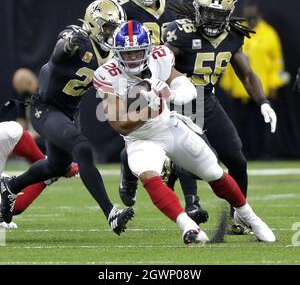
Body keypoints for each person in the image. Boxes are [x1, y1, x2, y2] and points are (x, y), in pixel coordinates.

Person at [93, 20, 276, 244]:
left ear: (148, 49)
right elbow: (119, 124)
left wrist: (172, 95)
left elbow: (184, 85)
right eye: (127, 53)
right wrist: (154, 107)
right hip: (139, 139)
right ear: (117, 52)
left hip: (168, 127)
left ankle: (251, 217)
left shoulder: (159, 57)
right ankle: (188, 227)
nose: (132, 58)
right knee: (148, 174)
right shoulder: (107, 74)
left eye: (137, 52)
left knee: (213, 171)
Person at [0, 0, 134, 235]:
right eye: (108, 27)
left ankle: (10, 186)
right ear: (93, 23)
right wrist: (67, 46)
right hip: (46, 108)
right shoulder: (77, 36)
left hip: (71, 111)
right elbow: (60, 52)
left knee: (57, 165)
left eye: (115, 28)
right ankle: (110, 212)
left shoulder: (112, 54)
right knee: (82, 148)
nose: (112, 34)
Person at [163, 0, 277, 234]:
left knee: (236, 159)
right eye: (208, 13)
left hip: (208, 100)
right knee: (206, 158)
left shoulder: (234, 35)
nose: (213, 20)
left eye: (219, 14)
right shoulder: (179, 32)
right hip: (181, 99)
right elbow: (161, 65)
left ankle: (239, 217)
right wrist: (176, 83)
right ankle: (174, 166)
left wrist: (263, 102)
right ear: (197, 8)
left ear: (229, 13)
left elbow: (246, 75)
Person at [111, 0, 208, 223]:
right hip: (137, 79)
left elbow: (192, 25)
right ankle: (128, 167)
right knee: (141, 134)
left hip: (169, 71)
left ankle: (192, 202)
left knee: (187, 136)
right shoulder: (120, 6)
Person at [220, 0, 289, 159]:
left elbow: (277, 62)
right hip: (239, 88)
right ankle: (245, 153)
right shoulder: (238, 31)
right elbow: (229, 58)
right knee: (241, 125)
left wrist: (274, 83)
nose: (250, 14)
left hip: (262, 87)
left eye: (253, 10)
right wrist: (227, 82)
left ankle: (266, 154)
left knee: (263, 123)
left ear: (259, 12)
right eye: (248, 10)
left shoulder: (269, 33)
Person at [0, 120, 78, 228]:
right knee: (9, 206)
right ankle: (52, 171)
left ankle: (52, 169)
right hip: (11, 131)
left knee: (9, 205)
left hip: (10, 133)